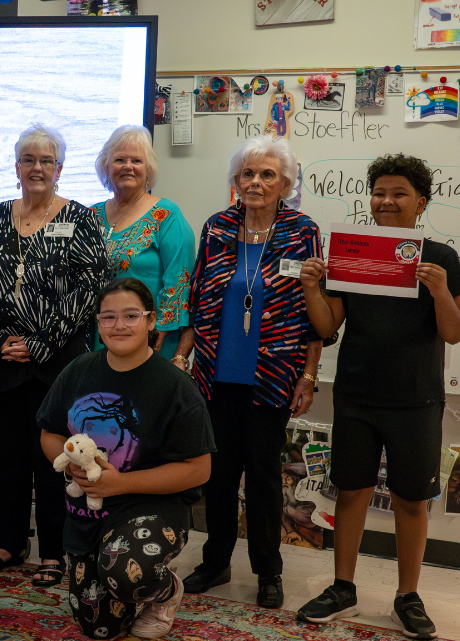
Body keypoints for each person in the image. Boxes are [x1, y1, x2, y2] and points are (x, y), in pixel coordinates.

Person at [297, 154, 460, 640]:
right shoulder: (353, 250)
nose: (386, 201)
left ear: (421, 202)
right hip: (356, 395)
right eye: (379, 193)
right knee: (349, 491)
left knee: (411, 500)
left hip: (416, 400)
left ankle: (407, 595)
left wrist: (438, 291)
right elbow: (328, 324)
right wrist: (312, 286)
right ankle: (342, 587)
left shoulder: (442, 257)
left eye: (398, 194)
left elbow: (454, 334)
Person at [173, 134, 321, 609]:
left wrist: (310, 374)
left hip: (274, 373)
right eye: (247, 174)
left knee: (261, 475)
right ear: (236, 181)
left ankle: (268, 570)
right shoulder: (218, 226)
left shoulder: (302, 231)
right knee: (216, 474)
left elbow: (312, 312)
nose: (255, 182)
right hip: (216, 372)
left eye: (267, 175)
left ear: (285, 184)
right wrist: (182, 357)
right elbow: (197, 298)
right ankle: (215, 561)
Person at [0, 123, 106, 586]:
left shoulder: (81, 219)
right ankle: (7, 543)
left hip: (56, 362)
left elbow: (92, 286)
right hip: (0, 358)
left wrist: (41, 341)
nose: (37, 167)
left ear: (59, 169)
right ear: (17, 167)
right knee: (7, 457)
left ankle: (53, 551)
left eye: (46, 161)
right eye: (29, 160)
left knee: (52, 459)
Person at [39, 278, 214, 639]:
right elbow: (50, 433)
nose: (119, 325)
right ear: (98, 323)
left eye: (131, 315)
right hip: (89, 514)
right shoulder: (77, 370)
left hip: (149, 508)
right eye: (108, 317)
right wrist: (70, 464)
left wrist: (121, 483)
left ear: (151, 321)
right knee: (99, 629)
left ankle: (166, 591)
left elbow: (200, 469)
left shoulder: (175, 386)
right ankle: (118, 576)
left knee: (127, 576)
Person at [89, 125, 194, 359]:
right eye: (119, 160)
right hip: (98, 339)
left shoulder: (166, 215)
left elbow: (178, 285)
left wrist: (152, 345)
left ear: (148, 169)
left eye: (136, 160)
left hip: (150, 342)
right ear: (106, 167)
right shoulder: (90, 215)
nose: (127, 166)